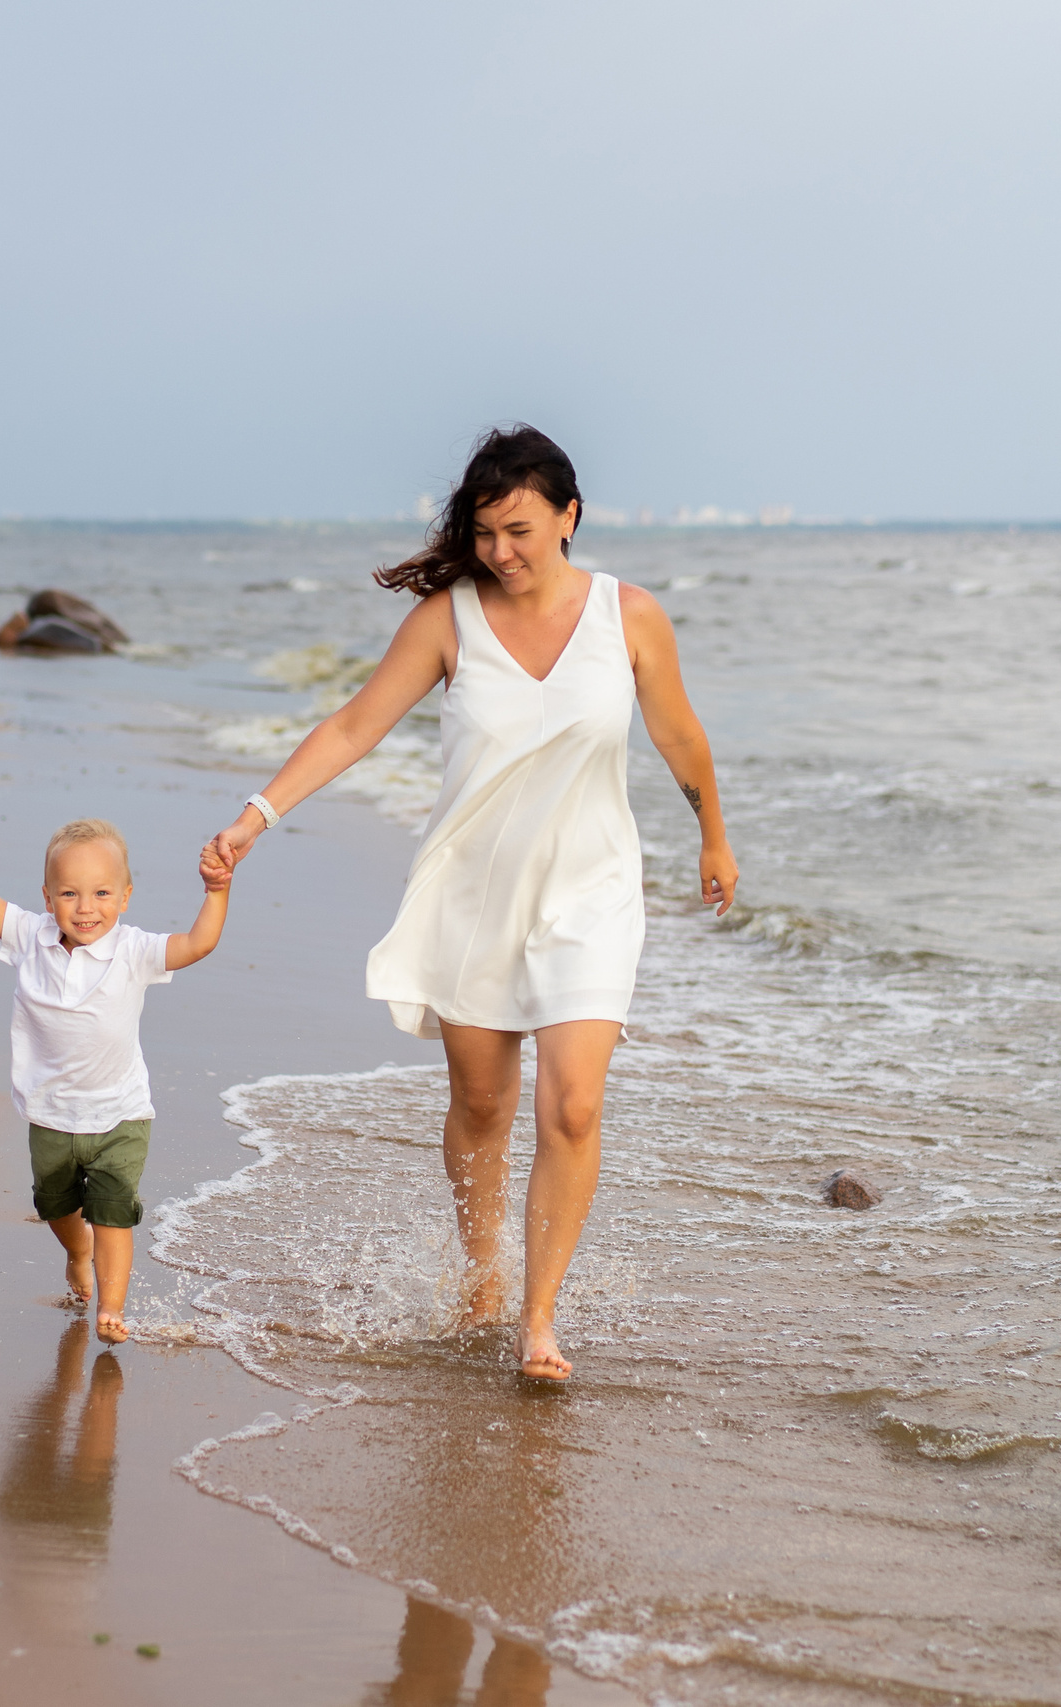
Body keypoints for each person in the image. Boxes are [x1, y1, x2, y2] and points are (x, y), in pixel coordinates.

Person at [207, 425, 738, 1380]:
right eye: (488, 532)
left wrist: (713, 835)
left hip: (592, 890)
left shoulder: (631, 617)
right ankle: (481, 1272)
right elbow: (356, 722)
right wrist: (257, 815)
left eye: (522, 529)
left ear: (570, 517)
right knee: (482, 1103)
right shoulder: (448, 620)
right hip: (472, 892)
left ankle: (538, 1318)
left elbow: (681, 735)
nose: (503, 551)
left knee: (572, 1105)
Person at [0, 817, 231, 1343]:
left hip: (121, 1113)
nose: (85, 907)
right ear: (48, 897)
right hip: (50, 1113)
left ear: (125, 897)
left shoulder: (134, 950)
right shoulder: (32, 938)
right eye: (70, 893)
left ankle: (111, 1309)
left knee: (114, 1211)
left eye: (101, 892)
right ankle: (77, 1252)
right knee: (54, 1203)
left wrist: (216, 892)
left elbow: (198, 944)